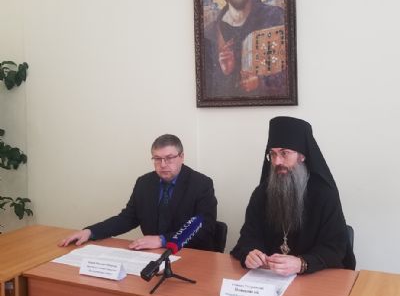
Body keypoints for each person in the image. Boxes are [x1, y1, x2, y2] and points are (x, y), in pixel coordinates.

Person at [231, 116, 355, 275]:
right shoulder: (262, 193)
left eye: (284, 153)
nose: (277, 162)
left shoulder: (324, 195)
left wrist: (302, 263)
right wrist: (250, 254)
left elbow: (334, 248)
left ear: (302, 156)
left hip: (315, 279)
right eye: (273, 154)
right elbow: (248, 237)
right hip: (269, 278)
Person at [59, 134, 217, 251]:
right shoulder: (144, 183)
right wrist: (90, 232)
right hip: (152, 255)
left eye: (169, 158)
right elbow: (127, 218)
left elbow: (205, 229)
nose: (163, 164)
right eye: (157, 159)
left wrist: (162, 240)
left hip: (190, 254)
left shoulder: (201, 184)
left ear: (181, 157)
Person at [204, 0, 286, 98]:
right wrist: (226, 73)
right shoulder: (211, 33)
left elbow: (288, 74)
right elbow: (210, 90)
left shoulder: (274, 18)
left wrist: (261, 82)